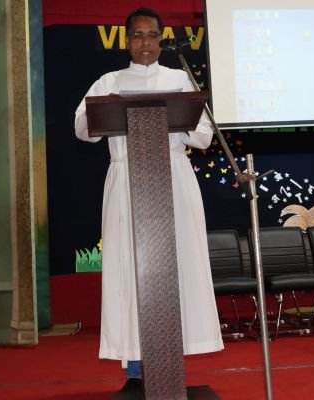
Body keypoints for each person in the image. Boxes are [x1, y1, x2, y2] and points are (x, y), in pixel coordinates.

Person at [74, 7, 224, 394]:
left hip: (172, 178)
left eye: (152, 35)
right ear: (127, 40)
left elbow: (205, 136)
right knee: (130, 271)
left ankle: (170, 368)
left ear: (161, 39)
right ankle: (136, 371)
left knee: (177, 269)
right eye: (138, 35)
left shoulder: (179, 80)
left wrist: (176, 117)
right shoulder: (109, 81)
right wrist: (109, 106)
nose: (145, 42)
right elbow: (82, 129)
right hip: (127, 181)